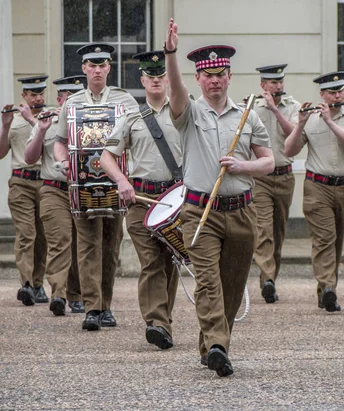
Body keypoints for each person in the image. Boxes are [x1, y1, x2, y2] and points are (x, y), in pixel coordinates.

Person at [164, 18, 274, 377]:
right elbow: (175, 90)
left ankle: (209, 343)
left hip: (241, 212)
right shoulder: (189, 112)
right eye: (207, 74)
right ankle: (217, 346)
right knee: (208, 281)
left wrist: (243, 167)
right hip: (200, 211)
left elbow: (269, 162)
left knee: (231, 285)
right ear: (199, 79)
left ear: (229, 77)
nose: (214, 80)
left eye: (220, 73)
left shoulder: (247, 114)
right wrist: (171, 53)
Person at [53, 43, 139, 331]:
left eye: (103, 64)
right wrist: (64, 163)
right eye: (93, 65)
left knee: (111, 245)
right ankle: (92, 308)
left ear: (109, 67)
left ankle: (106, 306)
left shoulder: (125, 100)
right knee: (88, 244)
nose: (98, 69)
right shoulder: (72, 102)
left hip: (115, 184)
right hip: (82, 184)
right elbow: (60, 141)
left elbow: (137, 138)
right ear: (84, 69)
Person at [100, 50, 182, 349]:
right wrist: (121, 181)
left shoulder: (184, 112)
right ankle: (156, 322)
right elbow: (106, 157)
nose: (157, 81)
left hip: (176, 198)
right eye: (152, 77)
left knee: (169, 261)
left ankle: (164, 321)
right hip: (141, 198)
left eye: (162, 76)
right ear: (143, 80)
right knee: (151, 261)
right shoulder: (132, 116)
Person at [284, 71, 344, 312]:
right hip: (316, 186)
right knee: (324, 238)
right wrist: (299, 124)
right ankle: (329, 286)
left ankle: (325, 290)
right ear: (322, 94)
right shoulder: (310, 117)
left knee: (337, 240)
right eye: (332, 92)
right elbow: (290, 150)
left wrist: (330, 122)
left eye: (340, 90)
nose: (337, 95)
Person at [23, 75, 86, 315]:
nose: (72, 102)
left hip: (82, 189)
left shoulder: (89, 119)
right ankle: (58, 294)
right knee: (60, 241)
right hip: (53, 189)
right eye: (68, 97)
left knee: (82, 243)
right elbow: (29, 158)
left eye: (77, 97)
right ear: (60, 98)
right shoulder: (46, 118)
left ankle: (77, 294)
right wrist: (40, 131)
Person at [252, 64, 301, 303]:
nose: (278, 86)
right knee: (264, 230)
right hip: (260, 178)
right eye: (272, 83)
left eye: (280, 82)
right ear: (263, 85)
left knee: (278, 232)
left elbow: (295, 135)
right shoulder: (250, 106)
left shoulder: (293, 107)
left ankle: (268, 280)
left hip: (284, 176)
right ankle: (268, 278)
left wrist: (275, 110)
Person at [0, 75, 48, 306]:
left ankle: (38, 284)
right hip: (21, 182)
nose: (38, 98)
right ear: (24, 96)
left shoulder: (51, 117)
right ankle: (26, 284)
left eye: (41, 93)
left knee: (43, 236)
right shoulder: (15, 119)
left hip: (46, 182)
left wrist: (33, 121)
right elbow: (1, 152)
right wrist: (5, 125)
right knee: (27, 233)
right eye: (33, 94)